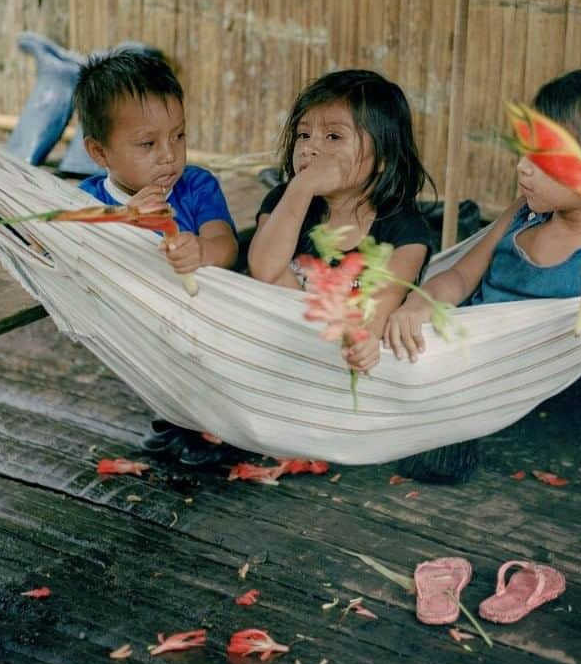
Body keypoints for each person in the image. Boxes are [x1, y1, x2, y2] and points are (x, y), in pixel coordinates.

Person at [384, 67, 581, 483]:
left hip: (500, 375)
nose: (523, 168)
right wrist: (419, 304)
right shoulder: (524, 215)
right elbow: (462, 276)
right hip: (448, 345)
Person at [74, 48, 240, 464]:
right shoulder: (87, 203)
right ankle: (178, 425)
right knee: (167, 365)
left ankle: (196, 427)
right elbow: (52, 248)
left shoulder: (196, 187)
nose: (169, 154)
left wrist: (200, 250)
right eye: (148, 143)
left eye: (179, 136)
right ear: (99, 153)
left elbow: (226, 244)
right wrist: (127, 220)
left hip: (202, 317)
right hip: (132, 325)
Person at [248, 69, 436, 374]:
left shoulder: (404, 231)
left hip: (349, 356)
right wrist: (301, 187)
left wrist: (364, 338)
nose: (310, 147)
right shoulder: (287, 200)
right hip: (284, 344)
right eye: (304, 135)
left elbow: (380, 306)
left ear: (383, 158)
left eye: (333, 136)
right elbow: (264, 270)